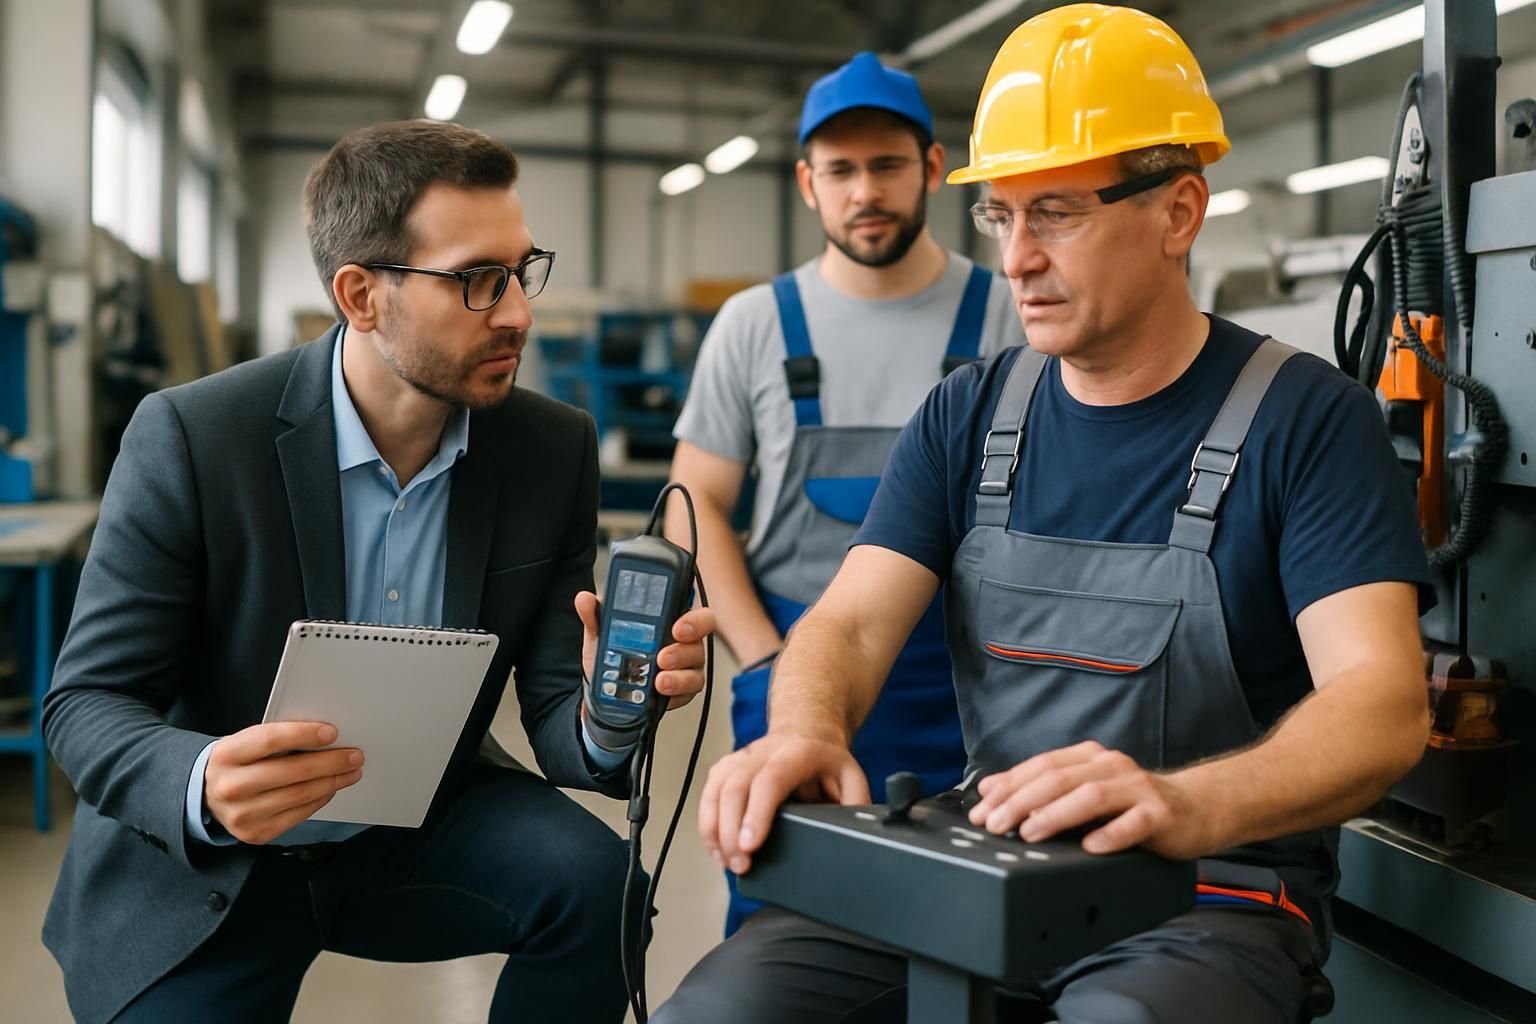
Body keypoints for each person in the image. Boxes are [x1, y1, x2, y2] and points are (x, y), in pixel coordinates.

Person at [657, 6, 1434, 1022]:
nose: (1017, 257)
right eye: (1001, 215)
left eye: (1057, 211)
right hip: (983, 866)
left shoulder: (1309, 420)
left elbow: (1383, 703)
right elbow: (847, 623)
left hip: (1207, 895)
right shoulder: (969, 412)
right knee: (724, 1009)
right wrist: (802, 722)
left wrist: (1183, 802)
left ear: (1179, 212)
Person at [41, 119, 715, 1024]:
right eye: (478, 280)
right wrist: (203, 781)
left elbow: (561, 719)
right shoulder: (197, 438)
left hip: (421, 825)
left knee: (603, 889)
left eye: (522, 270)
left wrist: (607, 709)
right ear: (360, 294)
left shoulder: (550, 448)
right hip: (212, 856)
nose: (517, 311)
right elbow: (85, 703)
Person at [665, 51, 1025, 933]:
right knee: (785, 926)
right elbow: (696, 498)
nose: (866, 191)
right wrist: (758, 660)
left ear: (934, 169)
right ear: (807, 183)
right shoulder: (754, 325)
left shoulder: (1010, 315)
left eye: (888, 165)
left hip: (968, 686)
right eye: (842, 171)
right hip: (789, 676)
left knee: (967, 930)